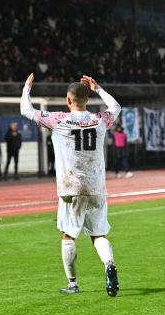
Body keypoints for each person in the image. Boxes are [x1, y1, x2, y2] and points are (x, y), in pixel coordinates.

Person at [21, 72, 121, 297]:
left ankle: (73, 284)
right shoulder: (100, 119)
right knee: (98, 235)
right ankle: (109, 264)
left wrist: (27, 88)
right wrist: (99, 89)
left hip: (71, 188)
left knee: (68, 236)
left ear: (68, 99)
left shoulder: (59, 120)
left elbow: (26, 110)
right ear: (87, 99)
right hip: (96, 187)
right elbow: (116, 107)